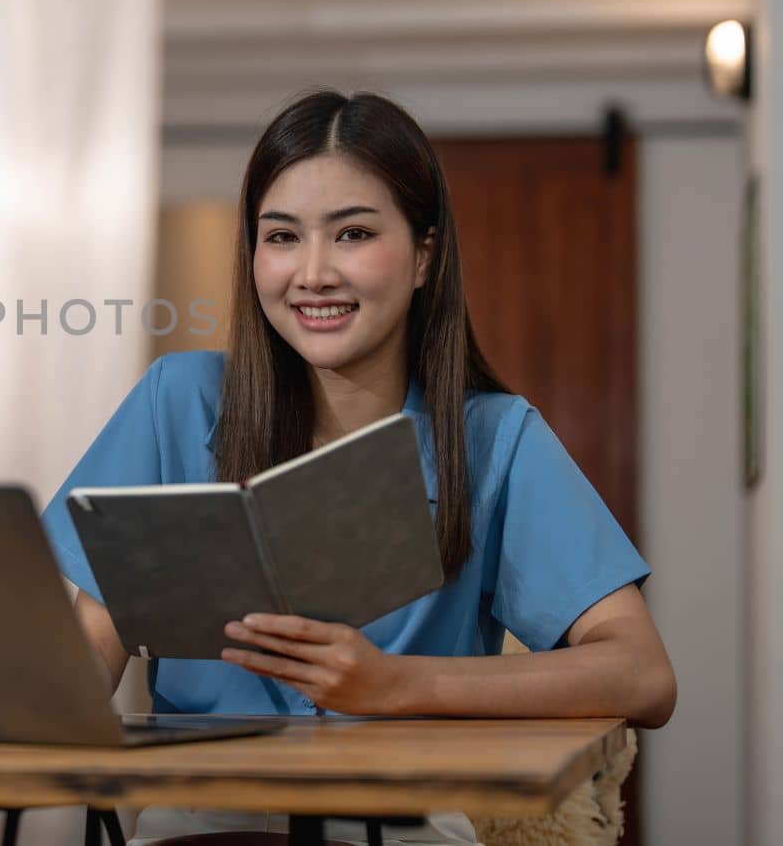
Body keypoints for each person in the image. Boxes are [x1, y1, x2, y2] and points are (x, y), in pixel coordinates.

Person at [38, 90, 677, 846]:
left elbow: (642, 673)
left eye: (353, 234)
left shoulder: (494, 439)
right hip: (200, 825)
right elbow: (91, 647)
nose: (312, 272)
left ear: (423, 255)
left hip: (399, 826)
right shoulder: (176, 402)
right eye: (282, 236)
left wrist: (400, 685)